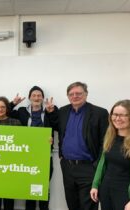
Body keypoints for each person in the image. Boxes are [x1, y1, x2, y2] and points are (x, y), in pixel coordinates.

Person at [47, 81, 109, 210]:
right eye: (71, 94)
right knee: (72, 204)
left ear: (86, 94)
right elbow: (55, 126)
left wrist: (97, 165)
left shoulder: (100, 113)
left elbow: (106, 141)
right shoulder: (63, 111)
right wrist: (50, 113)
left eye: (78, 93)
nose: (75, 96)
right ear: (68, 96)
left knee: (88, 206)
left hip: (89, 167)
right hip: (67, 167)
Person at [90, 99, 130, 210]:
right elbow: (102, 163)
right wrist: (95, 185)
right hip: (106, 191)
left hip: (126, 194)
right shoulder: (110, 136)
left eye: (122, 115)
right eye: (114, 114)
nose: (117, 118)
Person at [10, 86, 56, 210]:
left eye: (39, 95)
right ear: (30, 97)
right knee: (29, 187)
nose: (36, 97)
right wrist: (13, 103)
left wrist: (51, 112)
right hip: (26, 156)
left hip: (45, 156)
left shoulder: (50, 110)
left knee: (43, 186)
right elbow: (4, 113)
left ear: (42, 98)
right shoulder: (21, 111)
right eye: (34, 95)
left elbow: (57, 125)